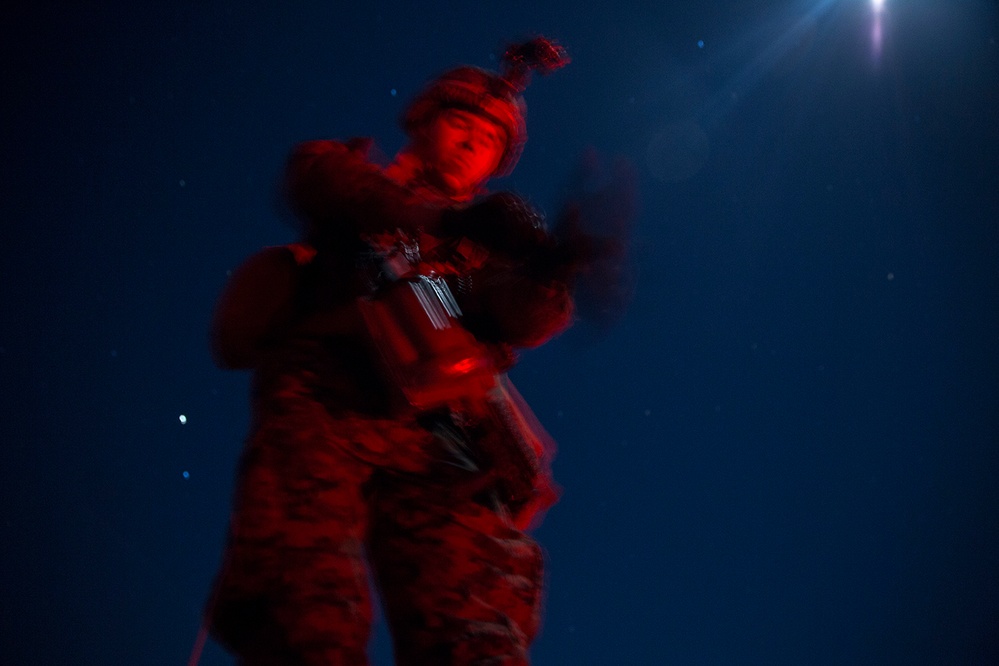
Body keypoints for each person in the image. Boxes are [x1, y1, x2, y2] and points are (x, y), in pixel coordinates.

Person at [202, 38, 588, 665]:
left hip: (443, 438)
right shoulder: (355, 176)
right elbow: (322, 181)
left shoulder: (477, 251)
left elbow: (505, 312)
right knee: (301, 595)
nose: (470, 144)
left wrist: (551, 275)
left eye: (489, 142)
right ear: (422, 122)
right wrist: (436, 219)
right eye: (460, 124)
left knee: (475, 626)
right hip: (330, 392)